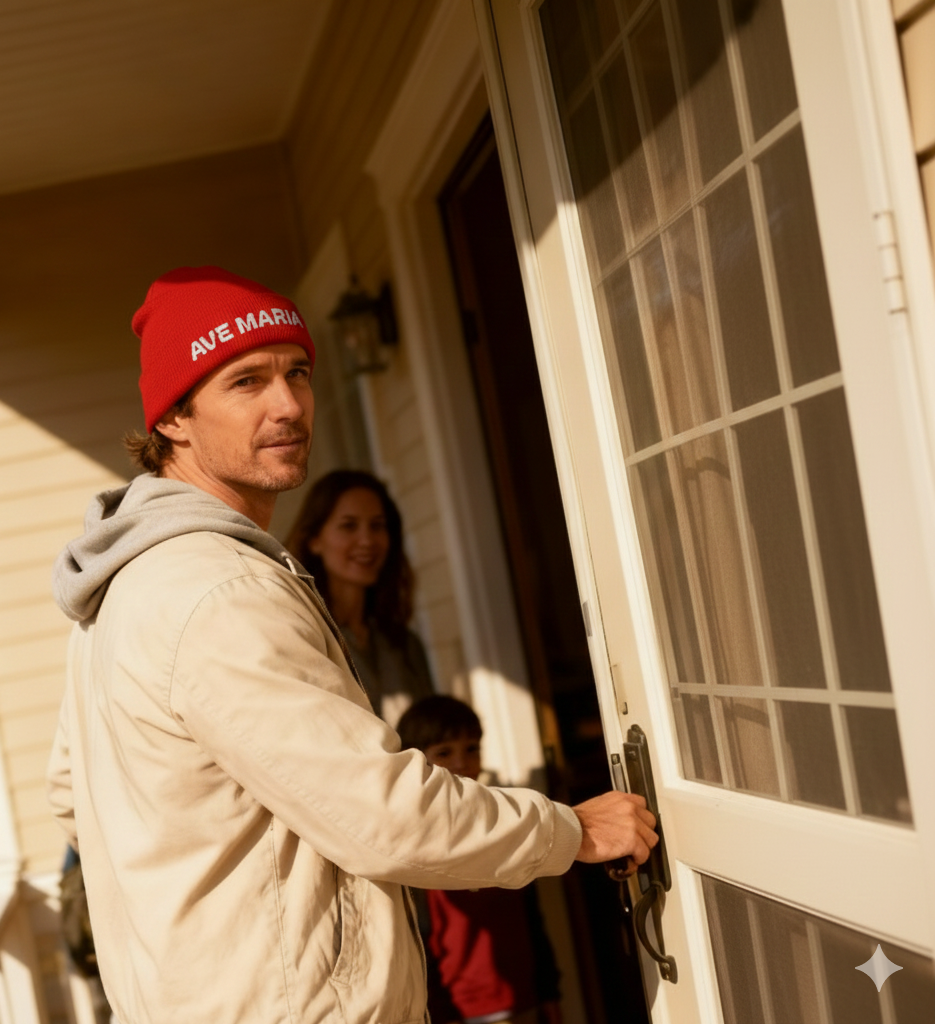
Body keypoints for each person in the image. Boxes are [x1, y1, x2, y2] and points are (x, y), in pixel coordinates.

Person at [46, 265, 658, 1024]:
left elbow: (72, 794)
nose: (289, 405)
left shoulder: (121, 586)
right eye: (246, 382)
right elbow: (387, 817)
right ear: (174, 417)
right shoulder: (218, 593)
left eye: (296, 372)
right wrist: (573, 830)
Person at [399, 696, 563, 1024]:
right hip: (463, 1013)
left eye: (472, 749)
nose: (462, 762)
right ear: (418, 762)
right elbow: (418, 945)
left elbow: (533, 920)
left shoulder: (503, 827)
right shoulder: (412, 845)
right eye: (444, 753)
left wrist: (548, 992)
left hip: (524, 999)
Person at [286, 469, 433, 726]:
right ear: (314, 540)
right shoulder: (304, 639)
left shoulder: (406, 646)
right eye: (349, 526)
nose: (367, 540)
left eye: (377, 526)